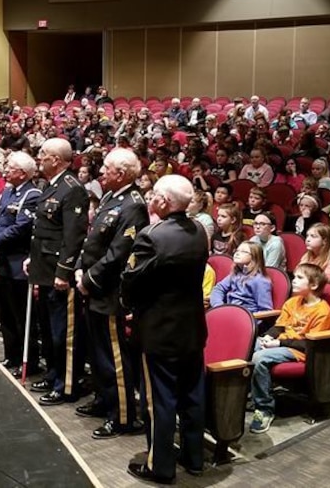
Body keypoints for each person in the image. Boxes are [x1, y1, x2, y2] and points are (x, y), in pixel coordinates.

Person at [121, 175, 208, 482]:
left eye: (154, 195)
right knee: (192, 395)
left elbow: (132, 281)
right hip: (193, 327)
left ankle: (160, 466)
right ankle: (194, 458)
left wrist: (128, 305)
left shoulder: (151, 235)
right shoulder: (199, 230)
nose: (150, 199)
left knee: (159, 399)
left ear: (165, 202)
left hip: (159, 329)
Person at [74, 148, 150, 439]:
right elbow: (93, 240)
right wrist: (81, 268)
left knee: (114, 357)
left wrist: (89, 279)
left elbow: (119, 253)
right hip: (94, 286)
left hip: (110, 292)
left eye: (106, 168)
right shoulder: (111, 197)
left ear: (121, 173)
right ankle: (104, 400)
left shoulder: (134, 206)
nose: (101, 172)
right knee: (97, 353)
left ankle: (123, 417)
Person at [27, 138, 90, 406]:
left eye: (43, 154)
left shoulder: (72, 189)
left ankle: (66, 384)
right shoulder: (51, 185)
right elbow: (44, 229)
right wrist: (33, 259)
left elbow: (73, 235)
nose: (39, 158)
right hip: (44, 268)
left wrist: (63, 272)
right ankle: (53, 372)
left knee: (62, 331)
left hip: (58, 273)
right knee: (48, 328)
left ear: (56, 159)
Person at [248, 264, 330, 434]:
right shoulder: (292, 302)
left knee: (259, 358)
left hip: (300, 351)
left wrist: (279, 344)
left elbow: (310, 344)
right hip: (282, 343)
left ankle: (264, 409)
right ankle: (250, 393)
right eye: (294, 277)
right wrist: (268, 336)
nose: (293, 281)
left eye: (299, 278)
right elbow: (280, 327)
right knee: (247, 346)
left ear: (314, 285)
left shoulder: (322, 312)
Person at [0, 152, 42, 379]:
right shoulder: (8, 191)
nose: (5, 170)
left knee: (22, 316)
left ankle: (28, 360)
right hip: (3, 261)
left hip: (20, 262)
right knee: (6, 313)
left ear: (22, 172)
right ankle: (11, 354)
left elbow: (22, 227)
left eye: (9, 167)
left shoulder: (32, 194)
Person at [209, 241, 273, 314]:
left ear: (254, 257)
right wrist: (219, 306)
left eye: (244, 252)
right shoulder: (236, 274)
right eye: (237, 250)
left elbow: (266, 311)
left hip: (247, 319)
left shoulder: (260, 281)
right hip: (229, 312)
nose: (237, 253)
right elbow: (219, 288)